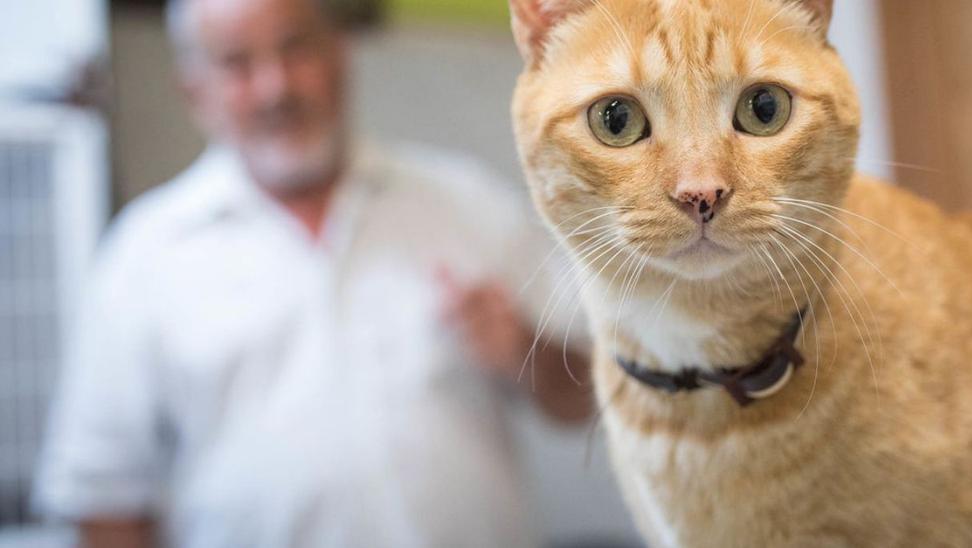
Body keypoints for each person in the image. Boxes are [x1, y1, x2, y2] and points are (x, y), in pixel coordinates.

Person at [33, 0, 593, 546]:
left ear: (341, 52)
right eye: (236, 63)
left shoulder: (470, 204)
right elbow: (103, 499)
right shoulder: (143, 256)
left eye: (295, 47)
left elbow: (589, 400)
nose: (276, 86)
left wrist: (527, 350)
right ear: (194, 92)